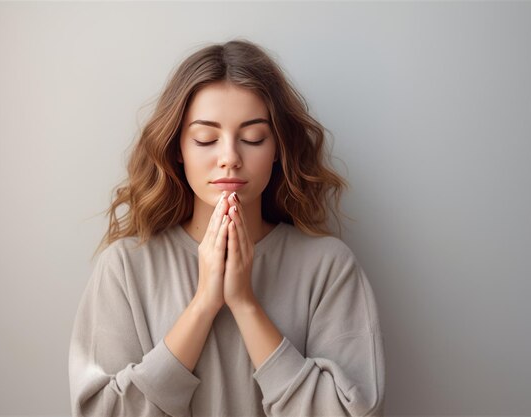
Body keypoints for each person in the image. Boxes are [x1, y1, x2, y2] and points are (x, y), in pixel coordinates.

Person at [68, 39, 385, 417]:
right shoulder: (125, 267)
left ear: (278, 148)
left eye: (253, 138)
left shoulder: (329, 267)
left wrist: (245, 303)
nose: (230, 158)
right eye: (206, 138)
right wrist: (204, 304)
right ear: (177, 150)